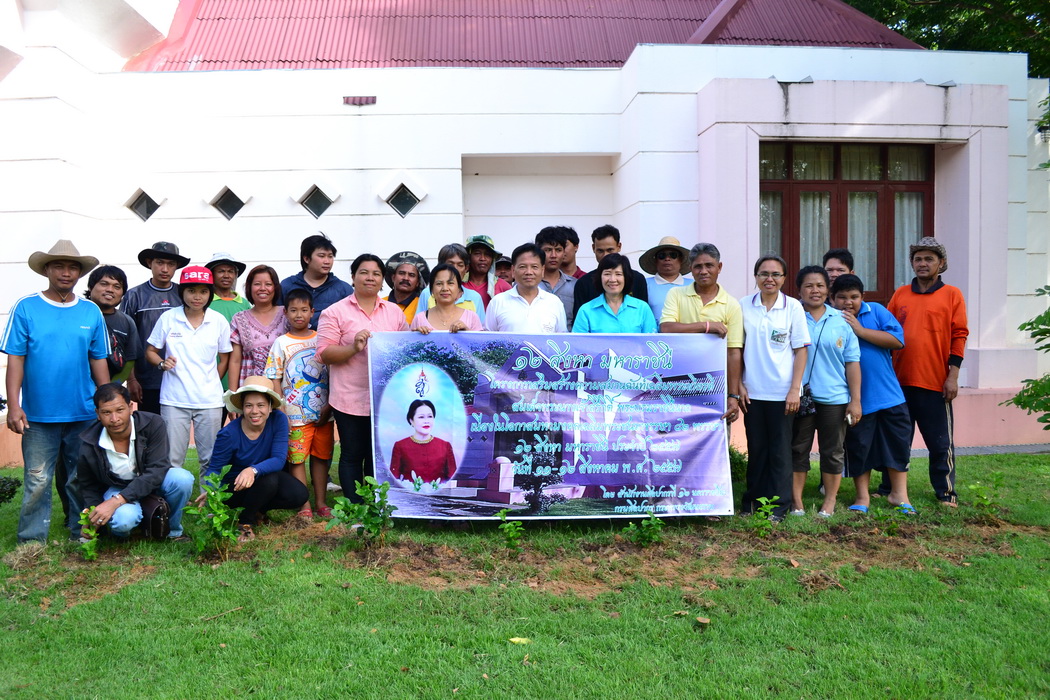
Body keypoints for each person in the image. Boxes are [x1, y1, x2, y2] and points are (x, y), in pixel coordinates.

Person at [2, 240, 110, 543]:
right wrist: (14, 405)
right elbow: (16, 359)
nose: (66, 272)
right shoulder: (26, 307)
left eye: (73, 267)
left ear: (79, 273)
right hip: (37, 415)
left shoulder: (90, 312)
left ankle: (82, 532)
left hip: (83, 412)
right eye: (59, 266)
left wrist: (105, 403)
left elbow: (98, 359)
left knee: (80, 477)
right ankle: (32, 541)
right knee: (37, 480)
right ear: (46, 269)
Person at [318, 254, 409, 502]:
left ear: (383, 281)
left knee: (377, 453)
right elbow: (324, 353)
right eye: (364, 272)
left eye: (376, 274)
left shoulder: (394, 313)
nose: (370, 278)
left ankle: (374, 502)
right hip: (349, 397)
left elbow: (405, 352)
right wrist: (353, 348)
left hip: (385, 398)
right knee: (351, 454)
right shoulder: (334, 312)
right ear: (353, 277)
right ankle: (355, 505)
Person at [886, 237, 969, 507]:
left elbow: (959, 335)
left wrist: (953, 376)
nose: (923, 264)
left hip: (935, 383)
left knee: (940, 443)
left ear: (941, 263)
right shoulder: (900, 294)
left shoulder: (952, 295)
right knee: (897, 439)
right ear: (912, 263)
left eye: (929, 259)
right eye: (918, 259)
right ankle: (888, 487)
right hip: (898, 383)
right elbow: (886, 332)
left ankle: (945, 492)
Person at [831, 274, 915, 514]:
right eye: (842, 297)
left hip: (889, 395)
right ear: (832, 299)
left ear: (863, 297)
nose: (849, 302)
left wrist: (859, 329)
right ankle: (862, 497)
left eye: (854, 297)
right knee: (859, 447)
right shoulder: (829, 319)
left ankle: (899, 495)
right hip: (856, 402)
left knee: (898, 445)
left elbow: (897, 341)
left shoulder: (876, 311)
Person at [738, 254, 810, 519]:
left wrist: (795, 389)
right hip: (752, 392)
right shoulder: (743, 305)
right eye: (764, 274)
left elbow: (801, 351)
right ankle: (751, 503)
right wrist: (739, 385)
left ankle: (779, 507)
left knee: (780, 451)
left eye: (775, 274)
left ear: (784, 278)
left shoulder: (793, 307)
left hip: (782, 393)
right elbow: (737, 348)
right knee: (757, 449)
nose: (769, 279)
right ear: (756, 277)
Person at [76, 383, 194, 539]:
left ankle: (171, 531)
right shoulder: (89, 442)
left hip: (151, 482)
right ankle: (129, 531)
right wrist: (93, 515)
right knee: (123, 521)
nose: (114, 419)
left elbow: (158, 468)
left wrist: (117, 501)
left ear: (130, 407)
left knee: (182, 479)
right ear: (98, 414)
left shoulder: (153, 423)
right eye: (106, 412)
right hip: (117, 487)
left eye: (120, 410)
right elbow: (88, 485)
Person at [789, 266, 861, 518]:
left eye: (820, 285)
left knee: (833, 450)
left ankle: (829, 501)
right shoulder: (791, 315)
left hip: (835, 398)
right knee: (798, 448)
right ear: (799, 290)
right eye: (808, 285)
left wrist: (856, 400)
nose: (815, 290)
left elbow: (852, 363)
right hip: (801, 397)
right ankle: (796, 500)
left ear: (828, 289)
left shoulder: (841, 321)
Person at [145, 266, 231, 476]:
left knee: (210, 458)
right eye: (191, 290)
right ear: (181, 292)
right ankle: (171, 507)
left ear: (210, 293)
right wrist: (162, 364)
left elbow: (225, 357)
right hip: (174, 400)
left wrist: (211, 380)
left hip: (209, 401)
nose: (197, 297)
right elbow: (151, 351)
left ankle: (210, 506)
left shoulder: (218, 320)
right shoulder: (169, 317)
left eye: (203, 291)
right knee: (172, 459)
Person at [203, 377, 309, 541]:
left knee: (299, 494)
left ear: (270, 407)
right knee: (269, 479)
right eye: (248, 405)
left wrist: (252, 470)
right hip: (235, 488)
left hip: (260, 477)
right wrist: (211, 492)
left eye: (260, 405)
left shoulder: (279, 420)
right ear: (242, 408)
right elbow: (215, 469)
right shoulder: (228, 434)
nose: (254, 411)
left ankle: (257, 510)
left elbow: (279, 459)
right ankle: (245, 523)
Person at [265, 289, 334, 519]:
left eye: (304, 310)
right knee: (297, 459)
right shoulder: (281, 343)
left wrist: (331, 402)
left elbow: (333, 370)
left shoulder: (321, 339)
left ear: (312, 312)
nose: (299, 315)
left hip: (323, 412)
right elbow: (274, 375)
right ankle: (303, 504)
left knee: (322, 457)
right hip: (294, 415)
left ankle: (321, 503)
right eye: (293, 310)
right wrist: (280, 406)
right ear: (285, 313)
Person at [660, 243, 744, 423]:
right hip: (677, 383)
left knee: (712, 442)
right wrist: (707, 326)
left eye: (709, 265)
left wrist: (733, 396)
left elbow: (734, 352)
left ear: (719, 267)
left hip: (715, 388)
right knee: (674, 440)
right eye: (698, 266)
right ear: (690, 269)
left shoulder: (731, 304)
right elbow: (666, 328)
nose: (703, 271)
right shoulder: (676, 294)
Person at [121, 241, 190, 414]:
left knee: (177, 434)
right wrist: (131, 379)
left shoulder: (185, 294)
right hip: (147, 379)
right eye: (160, 262)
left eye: (171, 264)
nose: (165, 269)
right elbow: (125, 339)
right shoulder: (134, 295)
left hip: (181, 377)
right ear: (149, 263)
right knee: (151, 431)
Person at [229, 265, 289, 392]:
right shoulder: (239, 319)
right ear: (249, 287)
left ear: (276, 287)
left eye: (268, 284)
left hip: (284, 393)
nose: (263, 288)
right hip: (250, 393)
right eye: (257, 284)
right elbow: (235, 360)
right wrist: (232, 396)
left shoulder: (287, 315)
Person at [485, 244, 568, 333]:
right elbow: (488, 341)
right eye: (523, 267)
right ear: (513, 270)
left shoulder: (554, 302)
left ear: (542, 270)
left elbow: (561, 340)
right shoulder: (497, 302)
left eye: (534, 267)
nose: (529, 272)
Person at [205, 252, 251, 408]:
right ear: (212, 275)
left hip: (239, 376)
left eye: (230, 271)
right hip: (212, 374)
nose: (226, 275)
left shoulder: (244, 303)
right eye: (221, 271)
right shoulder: (205, 302)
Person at [280, 233, 353, 330]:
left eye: (330, 256)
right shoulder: (287, 286)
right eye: (321, 256)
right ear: (306, 258)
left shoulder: (343, 290)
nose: (327, 261)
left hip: (331, 344)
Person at [572, 225, 648, 317]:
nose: (605, 255)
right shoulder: (584, 283)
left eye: (610, 250)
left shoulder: (637, 279)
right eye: (600, 251)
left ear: (619, 246)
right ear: (593, 248)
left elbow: (644, 315)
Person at [572, 254, 656, 334]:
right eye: (607, 274)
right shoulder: (586, 310)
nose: (612, 279)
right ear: (600, 277)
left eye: (618, 274)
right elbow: (577, 344)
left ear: (626, 277)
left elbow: (651, 344)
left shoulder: (642, 308)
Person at [85, 265, 141, 384]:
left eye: (117, 286)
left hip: (108, 395)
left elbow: (130, 360)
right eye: (104, 284)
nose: (110, 289)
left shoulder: (127, 322)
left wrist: (111, 389)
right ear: (91, 287)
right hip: (77, 389)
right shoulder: (76, 315)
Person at [389, 399, 457, 485]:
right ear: (411, 420)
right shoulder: (400, 446)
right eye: (421, 417)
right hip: (409, 496)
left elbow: (452, 478)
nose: (426, 421)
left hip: (441, 496)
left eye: (430, 416)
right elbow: (394, 478)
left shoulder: (445, 446)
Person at [416, 243, 488, 323]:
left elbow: (480, 332)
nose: (455, 269)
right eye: (450, 264)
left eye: (460, 265)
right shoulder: (427, 294)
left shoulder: (475, 297)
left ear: (466, 269)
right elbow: (419, 325)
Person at [410, 264, 484, 333]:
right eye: (439, 284)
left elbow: (481, 346)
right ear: (432, 289)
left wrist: (468, 332)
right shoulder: (419, 319)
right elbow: (409, 345)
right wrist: (417, 336)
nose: (445, 288)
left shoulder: (471, 317)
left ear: (459, 288)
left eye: (450, 283)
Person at [535, 227, 577, 329]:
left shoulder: (575, 285)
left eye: (558, 250)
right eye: (548, 250)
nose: (553, 255)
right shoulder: (529, 284)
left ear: (563, 253)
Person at [640, 236, 690, 320]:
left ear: (681, 260)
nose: (667, 259)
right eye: (662, 255)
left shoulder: (693, 285)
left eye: (673, 255)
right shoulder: (644, 284)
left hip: (688, 332)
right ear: (656, 260)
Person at [463, 235, 511, 309]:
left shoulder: (503, 287)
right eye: (477, 253)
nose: (483, 258)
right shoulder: (458, 285)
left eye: (488, 255)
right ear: (468, 257)